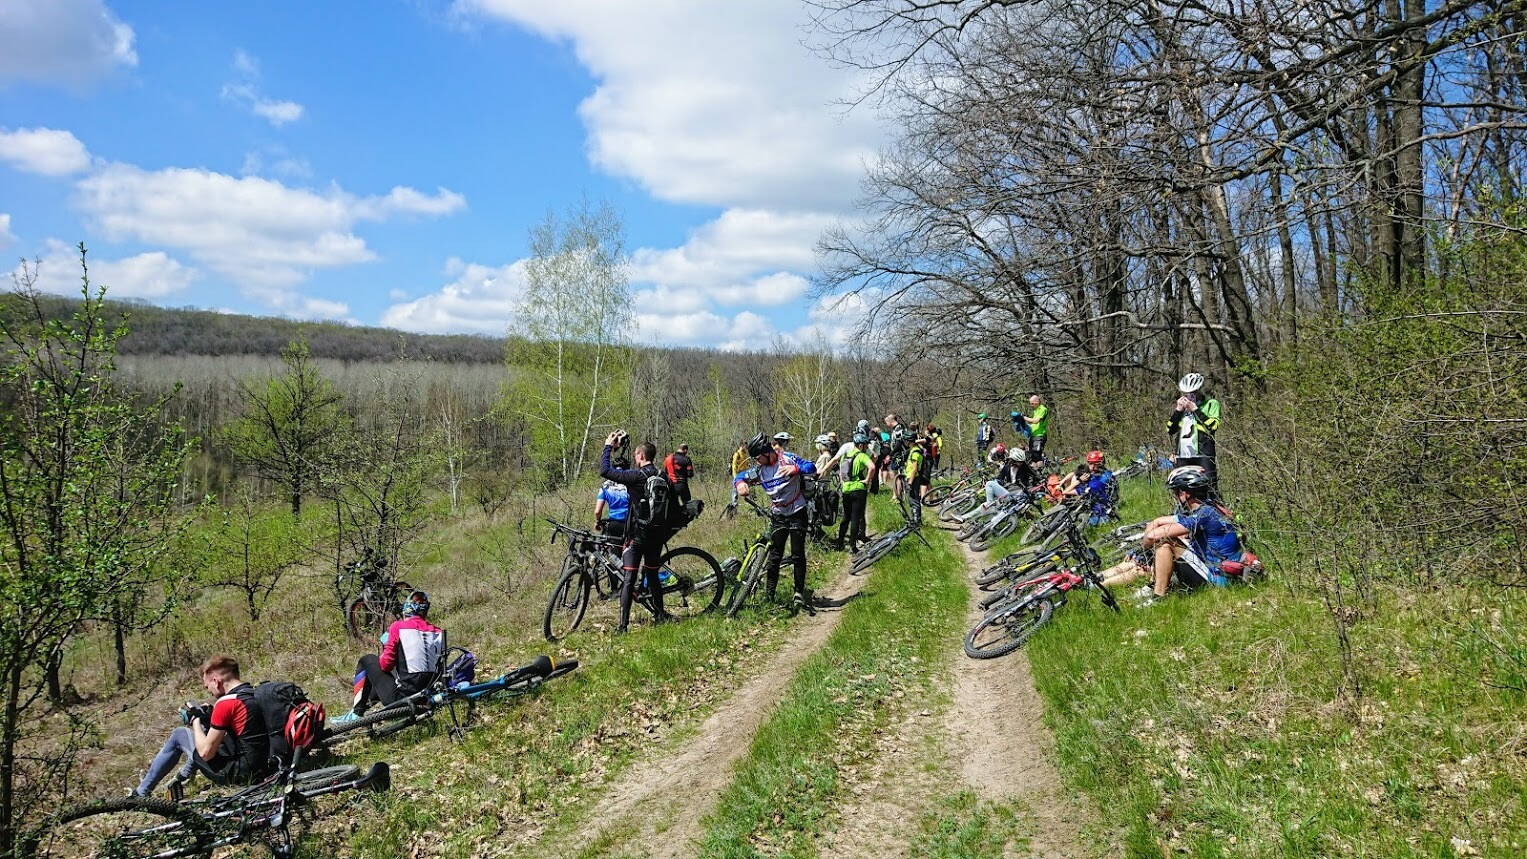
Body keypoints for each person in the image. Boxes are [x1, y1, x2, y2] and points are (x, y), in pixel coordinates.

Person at [1100, 465, 1244, 604]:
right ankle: (1149, 585)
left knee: (1165, 542)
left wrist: (1143, 551)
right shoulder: (1208, 508)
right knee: (1163, 543)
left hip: (1217, 578)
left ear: (1185, 493)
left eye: (1176, 492)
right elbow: (1157, 522)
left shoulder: (1205, 514)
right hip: (1214, 569)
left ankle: (1158, 597)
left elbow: (1152, 536)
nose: (1175, 496)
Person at [134, 655, 271, 798]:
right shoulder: (253, 694)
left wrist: (195, 720)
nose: (209, 691)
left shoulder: (225, 703)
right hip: (264, 769)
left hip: (238, 775)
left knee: (180, 734)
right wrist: (210, 716)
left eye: (207, 687)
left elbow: (205, 753)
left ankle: (140, 793)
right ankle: (183, 776)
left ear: (216, 681)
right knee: (204, 732)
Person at [601, 431, 677, 631]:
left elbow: (605, 471)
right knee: (652, 575)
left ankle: (623, 626)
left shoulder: (636, 476)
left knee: (629, 578)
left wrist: (608, 447)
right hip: (657, 536)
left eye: (636, 455)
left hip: (637, 536)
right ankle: (659, 616)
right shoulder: (663, 476)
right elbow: (674, 506)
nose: (635, 458)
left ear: (641, 456)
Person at [332, 590, 445, 725]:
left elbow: (385, 665)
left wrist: (386, 650)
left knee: (367, 660)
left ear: (406, 610)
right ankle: (364, 706)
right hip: (429, 697)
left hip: (403, 699)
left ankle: (355, 714)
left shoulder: (398, 627)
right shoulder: (438, 632)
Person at [734, 432, 817, 609]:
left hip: (797, 511)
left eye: (758, 458)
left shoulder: (787, 458)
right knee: (774, 556)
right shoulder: (760, 469)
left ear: (766, 452)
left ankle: (798, 592)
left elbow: (811, 467)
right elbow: (739, 476)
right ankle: (769, 595)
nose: (757, 462)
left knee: (797, 553)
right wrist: (740, 484)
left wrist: (796, 469)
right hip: (778, 515)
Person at [1168, 372, 1222, 492]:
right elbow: (1170, 430)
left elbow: (1212, 426)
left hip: (1203, 455)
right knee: (1182, 489)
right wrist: (1178, 410)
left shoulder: (1211, 404)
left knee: (1209, 488)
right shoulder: (1182, 409)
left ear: (1199, 391)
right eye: (1186, 394)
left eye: (1193, 393)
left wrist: (1195, 410)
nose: (1190, 396)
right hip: (1183, 456)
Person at [837, 433, 875, 552]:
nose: (867, 447)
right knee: (855, 518)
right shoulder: (862, 456)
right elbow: (872, 467)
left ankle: (840, 542)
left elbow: (841, 471)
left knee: (846, 517)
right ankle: (853, 547)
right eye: (866, 445)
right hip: (858, 489)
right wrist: (867, 480)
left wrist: (843, 483)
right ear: (860, 445)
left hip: (846, 489)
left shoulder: (845, 456)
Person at [1073, 450, 1117, 526]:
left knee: (1079, 520)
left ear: (1100, 464)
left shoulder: (1104, 477)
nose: (1091, 467)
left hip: (1103, 511)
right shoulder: (1099, 474)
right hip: (1097, 505)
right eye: (1089, 463)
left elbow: (1093, 488)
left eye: (1093, 464)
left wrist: (1080, 481)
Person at [903, 435, 932, 522]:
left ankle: (917, 521)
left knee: (914, 500)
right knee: (912, 499)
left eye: (906, 440)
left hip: (914, 478)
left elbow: (915, 469)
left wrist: (910, 483)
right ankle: (914, 519)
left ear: (910, 441)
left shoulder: (915, 452)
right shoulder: (913, 450)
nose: (905, 442)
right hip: (912, 477)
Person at [595, 469, 631, 539]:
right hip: (629, 524)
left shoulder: (605, 486)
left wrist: (598, 521)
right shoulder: (632, 484)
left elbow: (597, 511)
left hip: (612, 524)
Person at [1020, 395, 1050, 461]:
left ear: (1037, 402)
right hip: (1033, 436)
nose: (1031, 405)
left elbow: (1036, 421)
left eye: (1032, 403)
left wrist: (1024, 417)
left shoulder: (1043, 409)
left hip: (1039, 436)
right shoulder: (1035, 411)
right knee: (1032, 457)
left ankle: (1042, 465)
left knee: (1037, 456)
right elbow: (1033, 424)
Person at [731, 439, 751, 504]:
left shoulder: (745, 453)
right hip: (738, 474)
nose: (746, 447)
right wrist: (735, 476)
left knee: (747, 485)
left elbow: (746, 463)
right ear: (742, 445)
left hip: (745, 473)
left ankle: (748, 501)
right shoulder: (737, 454)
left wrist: (748, 467)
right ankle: (734, 502)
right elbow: (734, 466)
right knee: (735, 487)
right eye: (745, 446)